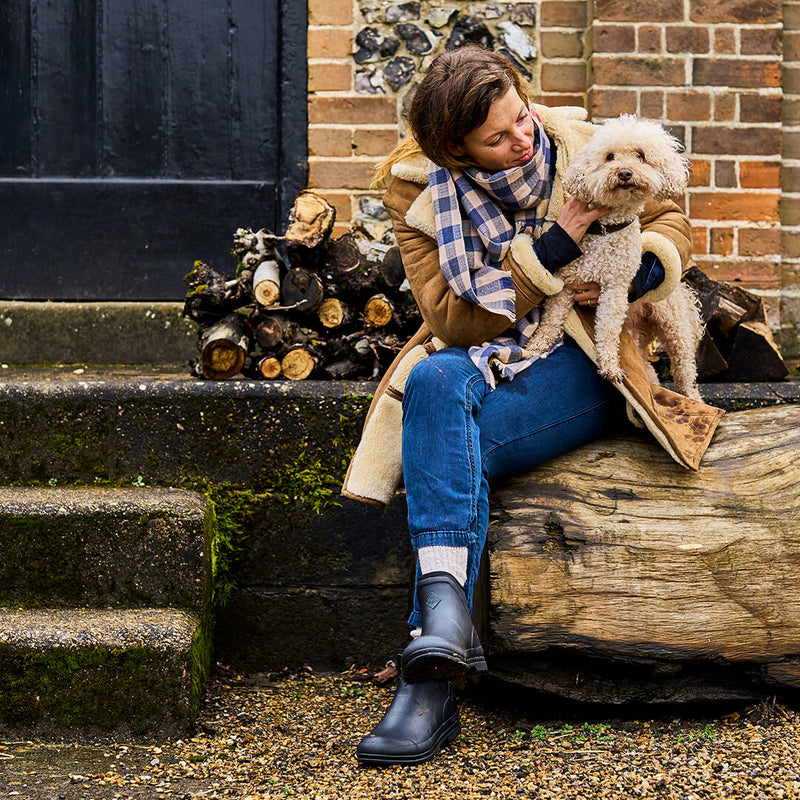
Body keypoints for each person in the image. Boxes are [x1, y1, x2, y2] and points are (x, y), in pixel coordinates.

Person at [341, 46, 722, 767]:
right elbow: (453, 322)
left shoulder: (583, 142)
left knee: (442, 444)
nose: (525, 139)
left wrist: (640, 267)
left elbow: (671, 219)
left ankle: (429, 677)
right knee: (432, 381)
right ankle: (446, 633)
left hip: (592, 361)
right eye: (499, 138)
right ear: (456, 151)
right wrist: (552, 244)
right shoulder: (419, 192)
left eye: (522, 116)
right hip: (495, 349)